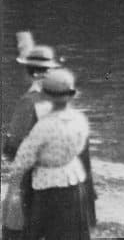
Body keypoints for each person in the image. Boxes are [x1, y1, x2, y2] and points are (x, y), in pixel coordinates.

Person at [9, 69, 95, 240]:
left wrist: (16, 180)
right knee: (72, 231)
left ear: (46, 95)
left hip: (47, 186)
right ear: (71, 95)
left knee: (44, 231)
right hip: (74, 180)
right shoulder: (80, 119)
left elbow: (22, 160)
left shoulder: (44, 126)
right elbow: (80, 147)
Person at [2, 44, 61, 240]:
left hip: (29, 174)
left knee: (15, 224)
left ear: (28, 72)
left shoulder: (29, 101)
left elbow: (12, 147)